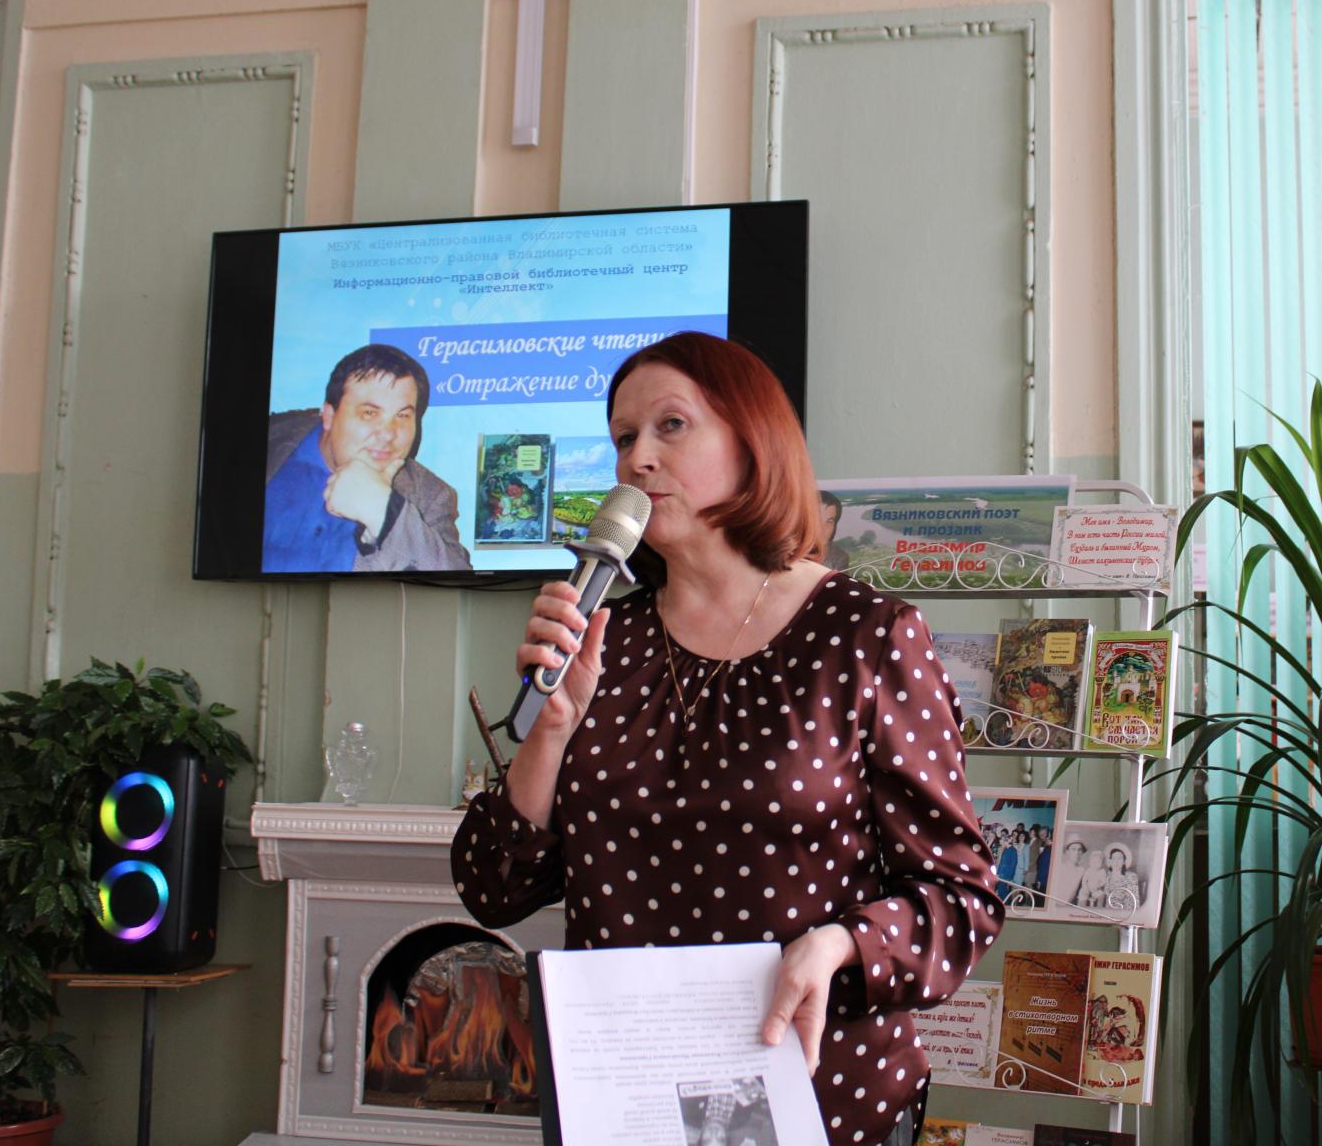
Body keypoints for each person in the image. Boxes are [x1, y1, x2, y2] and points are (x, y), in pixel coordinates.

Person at [450, 331, 1005, 1146]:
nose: (637, 459)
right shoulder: (604, 639)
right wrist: (553, 727)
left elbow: (962, 901)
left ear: (754, 441)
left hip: (821, 1095)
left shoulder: (866, 636)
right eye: (623, 438)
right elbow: (492, 890)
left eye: (671, 426)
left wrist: (839, 944)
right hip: (628, 1104)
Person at [263, 343, 471, 572]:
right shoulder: (271, 441)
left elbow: (455, 579)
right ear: (329, 415)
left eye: (402, 415)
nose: (388, 433)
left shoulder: (428, 495)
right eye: (370, 413)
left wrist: (384, 512)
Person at [818, 489, 852, 571]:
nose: (823, 529)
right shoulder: (788, 550)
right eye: (817, 520)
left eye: (829, 522)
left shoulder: (839, 557)